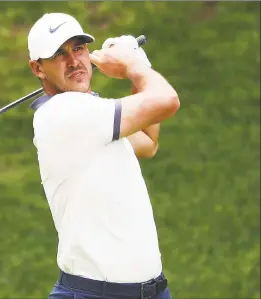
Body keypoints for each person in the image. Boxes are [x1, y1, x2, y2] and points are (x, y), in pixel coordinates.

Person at [27, 12, 180, 299]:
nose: (74, 61)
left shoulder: (91, 117)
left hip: (154, 291)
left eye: (78, 48)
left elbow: (148, 141)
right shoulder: (63, 114)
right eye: (59, 54)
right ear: (38, 68)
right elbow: (167, 101)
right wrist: (133, 64)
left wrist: (140, 64)